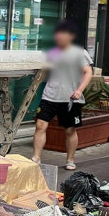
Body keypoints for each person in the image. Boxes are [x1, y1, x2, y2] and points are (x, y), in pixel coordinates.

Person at [31, 20, 94, 171]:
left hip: (70, 98)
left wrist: (79, 90)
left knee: (70, 130)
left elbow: (88, 72)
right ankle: (36, 158)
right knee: (40, 126)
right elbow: (45, 72)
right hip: (49, 96)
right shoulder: (52, 53)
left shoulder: (80, 53)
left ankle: (70, 160)